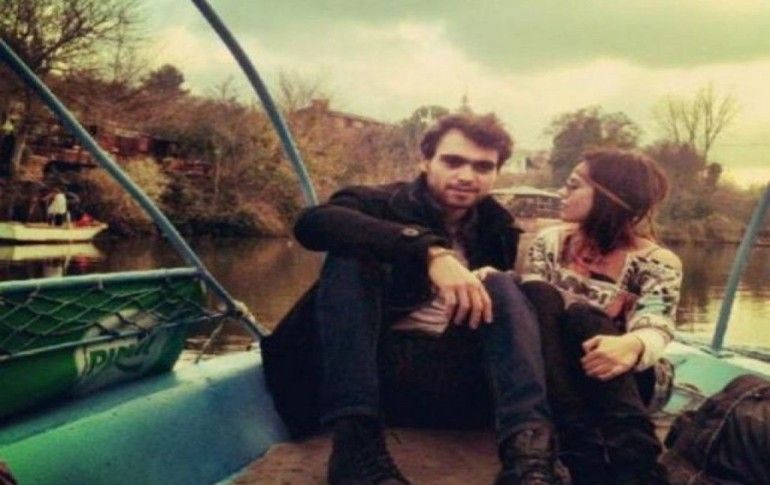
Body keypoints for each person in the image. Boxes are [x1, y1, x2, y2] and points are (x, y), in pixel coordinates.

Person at [266, 113, 567, 484]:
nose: (467, 176)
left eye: (483, 167)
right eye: (453, 161)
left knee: (504, 284)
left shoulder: (498, 227)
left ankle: (528, 459)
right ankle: (356, 450)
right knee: (351, 260)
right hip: (371, 373)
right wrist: (429, 252)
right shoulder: (378, 202)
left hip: (450, 379)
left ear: (496, 173)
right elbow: (312, 224)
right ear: (425, 161)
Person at [521, 148, 682, 484]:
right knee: (539, 294)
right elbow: (535, 317)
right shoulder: (550, 242)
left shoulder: (656, 261)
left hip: (624, 379)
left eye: (573, 185)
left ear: (610, 196)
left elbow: (657, 322)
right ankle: (582, 449)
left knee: (585, 317)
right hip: (557, 373)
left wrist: (632, 345)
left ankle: (637, 460)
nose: (562, 193)